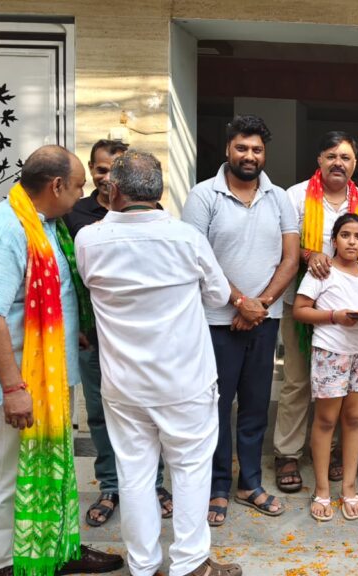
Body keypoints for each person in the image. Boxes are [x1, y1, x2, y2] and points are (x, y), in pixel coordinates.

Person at [77, 151, 242, 576]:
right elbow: (218, 295)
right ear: (160, 192)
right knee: (189, 471)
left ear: (113, 189)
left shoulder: (89, 239)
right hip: (185, 381)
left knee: (133, 474)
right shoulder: (186, 237)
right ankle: (190, 564)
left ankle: (143, 566)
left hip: (123, 384)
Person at [0, 145, 123, 576]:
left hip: (49, 375)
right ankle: (3, 564)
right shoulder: (7, 232)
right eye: (78, 186)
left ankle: (58, 550)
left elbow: (50, 295)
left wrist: (76, 332)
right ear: (55, 185)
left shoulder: (45, 225)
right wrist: (13, 389)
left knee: (55, 466)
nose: (82, 194)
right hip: (20, 379)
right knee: (8, 471)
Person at [182, 115, 300, 526]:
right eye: (242, 148)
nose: (250, 156)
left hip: (264, 320)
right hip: (216, 320)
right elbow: (198, 258)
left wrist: (259, 305)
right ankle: (217, 486)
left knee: (255, 405)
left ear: (265, 154)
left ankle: (249, 483)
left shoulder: (278, 197)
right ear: (228, 149)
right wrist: (238, 301)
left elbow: (291, 258)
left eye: (257, 149)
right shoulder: (203, 195)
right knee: (215, 406)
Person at [63, 139, 174, 527]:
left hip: (142, 342)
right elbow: (70, 276)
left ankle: (154, 485)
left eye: (114, 169)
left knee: (148, 414)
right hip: (93, 336)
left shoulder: (153, 214)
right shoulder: (74, 213)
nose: (106, 176)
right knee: (99, 416)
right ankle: (110, 486)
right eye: (99, 169)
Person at [275, 131, 358, 493]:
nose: (338, 162)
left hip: (350, 314)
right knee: (298, 380)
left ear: (355, 164)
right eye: (331, 156)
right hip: (302, 301)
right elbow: (282, 245)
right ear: (319, 159)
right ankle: (288, 452)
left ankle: (336, 451)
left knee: (344, 391)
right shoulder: (295, 196)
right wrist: (310, 255)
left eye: (345, 157)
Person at [294, 214, 358, 521]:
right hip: (331, 352)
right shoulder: (322, 271)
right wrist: (334, 316)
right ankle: (322, 489)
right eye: (345, 235)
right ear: (334, 240)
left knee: (355, 418)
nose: (351, 241)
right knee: (325, 420)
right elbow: (300, 310)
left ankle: (348, 487)